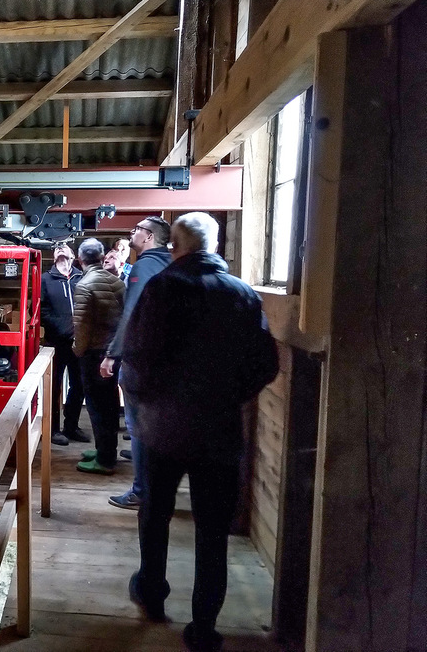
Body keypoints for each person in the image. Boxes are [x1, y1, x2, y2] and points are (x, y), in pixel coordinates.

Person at [122, 213, 279, 652]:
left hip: (162, 428)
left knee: (155, 514)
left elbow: (137, 355)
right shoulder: (243, 295)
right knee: (213, 532)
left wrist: (144, 401)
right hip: (219, 430)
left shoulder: (163, 288)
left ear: (176, 244)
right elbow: (266, 365)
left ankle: (152, 595)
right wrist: (230, 397)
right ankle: (204, 626)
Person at [100, 216, 172, 510]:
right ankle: (150, 482)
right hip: (164, 361)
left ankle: (141, 491)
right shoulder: (170, 263)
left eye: (137, 229)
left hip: (141, 362)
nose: (132, 232)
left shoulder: (143, 266)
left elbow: (131, 314)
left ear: (149, 237)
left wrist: (111, 354)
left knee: (138, 425)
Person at [72, 238, 125, 474]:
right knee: (110, 404)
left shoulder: (84, 285)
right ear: (103, 257)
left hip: (94, 353)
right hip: (114, 352)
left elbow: (81, 326)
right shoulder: (117, 282)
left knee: (96, 407)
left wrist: (78, 350)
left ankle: (104, 460)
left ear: (79, 259)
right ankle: (106, 450)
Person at [40, 243, 89, 446]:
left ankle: (72, 426)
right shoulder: (45, 278)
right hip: (56, 342)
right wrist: (64, 328)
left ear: (73, 255)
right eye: (57, 247)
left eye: (65, 247)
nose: (61, 248)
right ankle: (52, 430)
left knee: (79, 385)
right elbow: (41, 310)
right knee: (54, 386)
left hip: (80, 342)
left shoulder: (82, 277)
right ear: (53, 256)